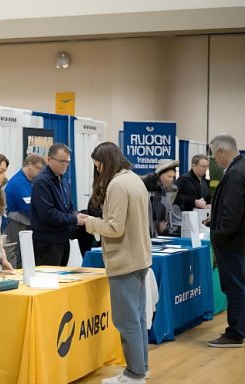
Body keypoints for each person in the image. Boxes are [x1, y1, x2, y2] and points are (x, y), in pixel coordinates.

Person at [78, 142, 151, 384]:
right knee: (138, 319)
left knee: (126, 321)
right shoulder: (134, 179)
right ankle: (141, 368)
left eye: (98, 165)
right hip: (139, 258)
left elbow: (114, 227)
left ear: (105, 161)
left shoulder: (117, 185)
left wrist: (87, 221)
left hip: (125, 261)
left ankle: (135, 373)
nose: (97, 171)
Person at [206, 134, 245, 348]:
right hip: (243, 240)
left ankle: (235, 333)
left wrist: (218, 232)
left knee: (234, 287)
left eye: (213, 154)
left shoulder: (235, 173)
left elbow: (232, 212)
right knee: (242, 285)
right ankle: (243, 329)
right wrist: (216, 219)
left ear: (222, 151)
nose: (214, 160)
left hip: (232, 242)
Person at [30, 143, 83, 266]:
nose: (65, 165)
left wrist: (79, 216)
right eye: (61, 161)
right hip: (47, 243)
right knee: (48, 281)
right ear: (49, 160)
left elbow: (69, 208)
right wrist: (74, 219)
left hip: (63, 240)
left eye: (67, 161)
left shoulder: (64, 182)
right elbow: (48, 213)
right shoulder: (41, 182)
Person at [4, 153, 46, 268]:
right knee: (18, 258)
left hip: (29, 225)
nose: (40, 172)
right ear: (30, 165)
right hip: (18, 226)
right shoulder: (17, 182)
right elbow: (28, 208)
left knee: (28, 259)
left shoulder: (31, 182)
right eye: (39, 169)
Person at [142, 159, 181, 237]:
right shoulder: (150, 190)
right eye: (169, 176)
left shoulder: (172, 190)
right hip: (148, 230)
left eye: (173, 177)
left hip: (161, 232)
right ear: (161, 176)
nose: (171, 179)